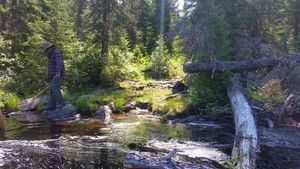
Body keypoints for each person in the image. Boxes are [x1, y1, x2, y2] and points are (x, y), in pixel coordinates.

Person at [43, 42, 65, 110]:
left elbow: (59, 63)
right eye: (46, 49)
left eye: (47, 49)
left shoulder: (56, 52)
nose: (47, 51)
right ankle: (52, 106)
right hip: (52, 76)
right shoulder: (51, 55)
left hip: (57, 75)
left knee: (56, 89)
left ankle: (62, 103)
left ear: (50, 48)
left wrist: (58, 73)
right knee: (52, 91)